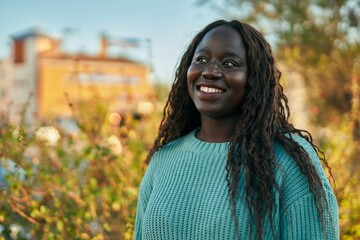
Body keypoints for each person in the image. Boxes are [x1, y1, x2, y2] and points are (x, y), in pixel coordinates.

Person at [134, 20, 339, 240]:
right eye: (201, 59)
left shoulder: (288, 161)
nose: (210, 71)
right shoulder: (164, 159)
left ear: (254, 79)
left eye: (229, 63)